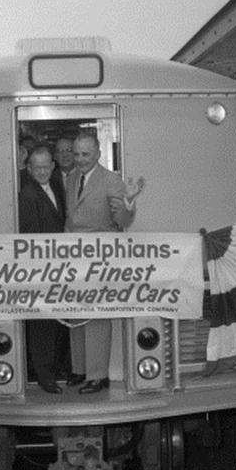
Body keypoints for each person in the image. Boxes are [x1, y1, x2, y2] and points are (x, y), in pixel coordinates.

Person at [65, 133, 144, 394]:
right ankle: (80, 369)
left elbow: (122, 220)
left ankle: (99, 376)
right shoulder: (72, 177)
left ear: (98, 153)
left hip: (100, 260)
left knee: (96, 315)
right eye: (76, 154)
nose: (80, 159)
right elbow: (71, 219)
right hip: (72, 258)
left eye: (85, 154)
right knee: (75, 312)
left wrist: (129, 201)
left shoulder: (111, 180)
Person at [18, 146, 69, 394]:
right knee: (42, 325)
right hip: (40, 270)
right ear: (29, 169)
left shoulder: (57, 186)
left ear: (53, 166)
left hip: (60, 268)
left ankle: (56, 368)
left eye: (45, 166)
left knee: (56, 320)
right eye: (35, 167)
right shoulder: (28, 194)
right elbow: (31, 237)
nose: (41, 171)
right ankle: (44, 376)